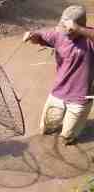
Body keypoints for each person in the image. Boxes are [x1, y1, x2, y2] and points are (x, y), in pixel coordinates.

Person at [23, 5, 94, 145]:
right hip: (58, 93)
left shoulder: (89, 38)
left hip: (81, 98)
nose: (65, 33)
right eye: (63, 28)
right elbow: (41, 36)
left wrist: (79, 30)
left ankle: (70, 134)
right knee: (46, 129)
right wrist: (32, 36)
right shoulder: (58, 34)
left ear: (79, 27)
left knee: (67, 137)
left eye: (69, 30)